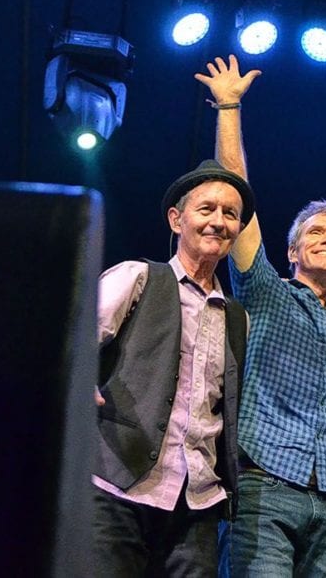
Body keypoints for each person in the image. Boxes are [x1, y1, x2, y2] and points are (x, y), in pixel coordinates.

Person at [196, 56, 326, 576]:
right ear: (292, 250)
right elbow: (237, 201)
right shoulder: (264, 288)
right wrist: (229, 107)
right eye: (316, 231)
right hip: (263, 483)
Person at [92, 158, 255, 576]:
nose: (218, 221)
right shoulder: (138, 278)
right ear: (176, 219)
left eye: (230, 214)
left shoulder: (238, 318)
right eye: (207, 209)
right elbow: (71, 338)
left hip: (196, 503)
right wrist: (78, 384)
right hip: (116, 486)